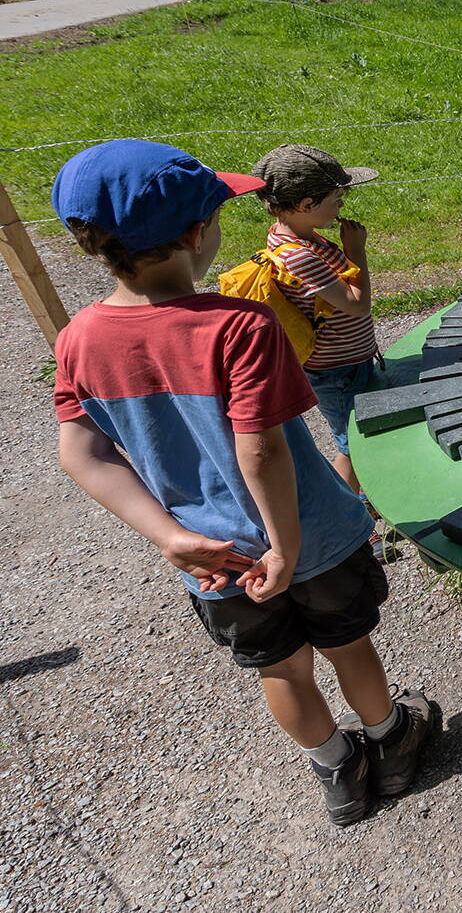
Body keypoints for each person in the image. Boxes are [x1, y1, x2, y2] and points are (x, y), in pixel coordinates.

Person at [50, 139, 434, 826]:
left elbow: (82, 453)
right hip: (309, 535)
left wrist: (170, 536)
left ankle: (338, 774)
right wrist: (284, 548)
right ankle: (391, 742)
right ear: (198, 234)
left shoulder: (79, 339)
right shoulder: (238, 324)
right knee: (349, 646)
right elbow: (260, 454)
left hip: (215, 557)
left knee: (281, 670)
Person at [252, 144, 381, 501]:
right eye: (337, 197)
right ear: (307, 205)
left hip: (347, 362)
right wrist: (356, 249)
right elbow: (356, 304)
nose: (342, 204)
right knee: (353, 445)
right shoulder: (297, 254)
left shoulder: (304, 236)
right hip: (335, 371)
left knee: (360, 437)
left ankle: (360, 503)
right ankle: (348, 516)